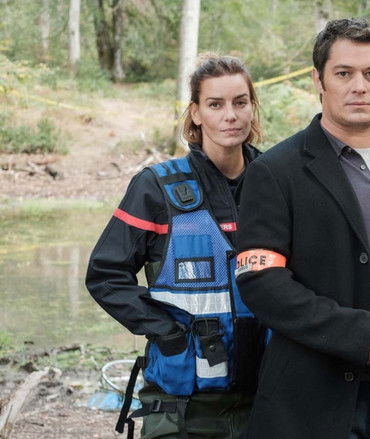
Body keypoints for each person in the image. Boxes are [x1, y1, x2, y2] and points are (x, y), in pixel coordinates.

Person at [235, 18, 370, 439]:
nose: (359, 87)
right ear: (318, 80)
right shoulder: (275, 171)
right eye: (343, 73)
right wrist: (360, 334)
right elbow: (262, 283)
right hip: (312, 401)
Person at [85, 54, 264, 439]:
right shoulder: (156, 188)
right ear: (195, 113)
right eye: (215, 104)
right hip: (182, 409)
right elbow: (105, 275)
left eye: (240, 102)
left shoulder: (277, 183)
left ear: (252, 107)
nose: (230, 115)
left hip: (267, 403)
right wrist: (167, 333)